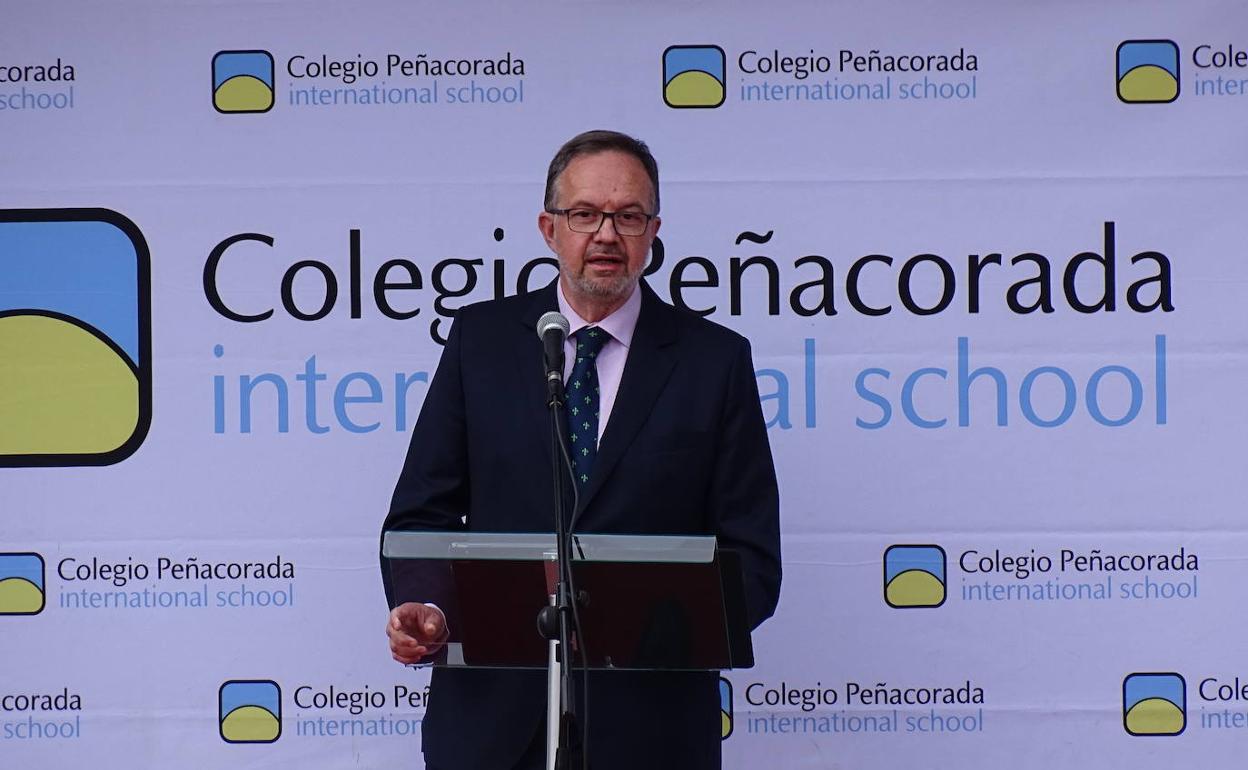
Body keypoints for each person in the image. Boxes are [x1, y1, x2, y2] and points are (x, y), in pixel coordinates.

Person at [381, 130, 781, 770]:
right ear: (548, 228)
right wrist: (426, 608)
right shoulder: (480, 343)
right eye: (584, 214)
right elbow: (421, 514)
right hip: (492, 725)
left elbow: (751, 555)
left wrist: (662, 622)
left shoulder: (715, 361)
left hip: (652, 729)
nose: (605, 234)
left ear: (653, 231)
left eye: (627, 216)